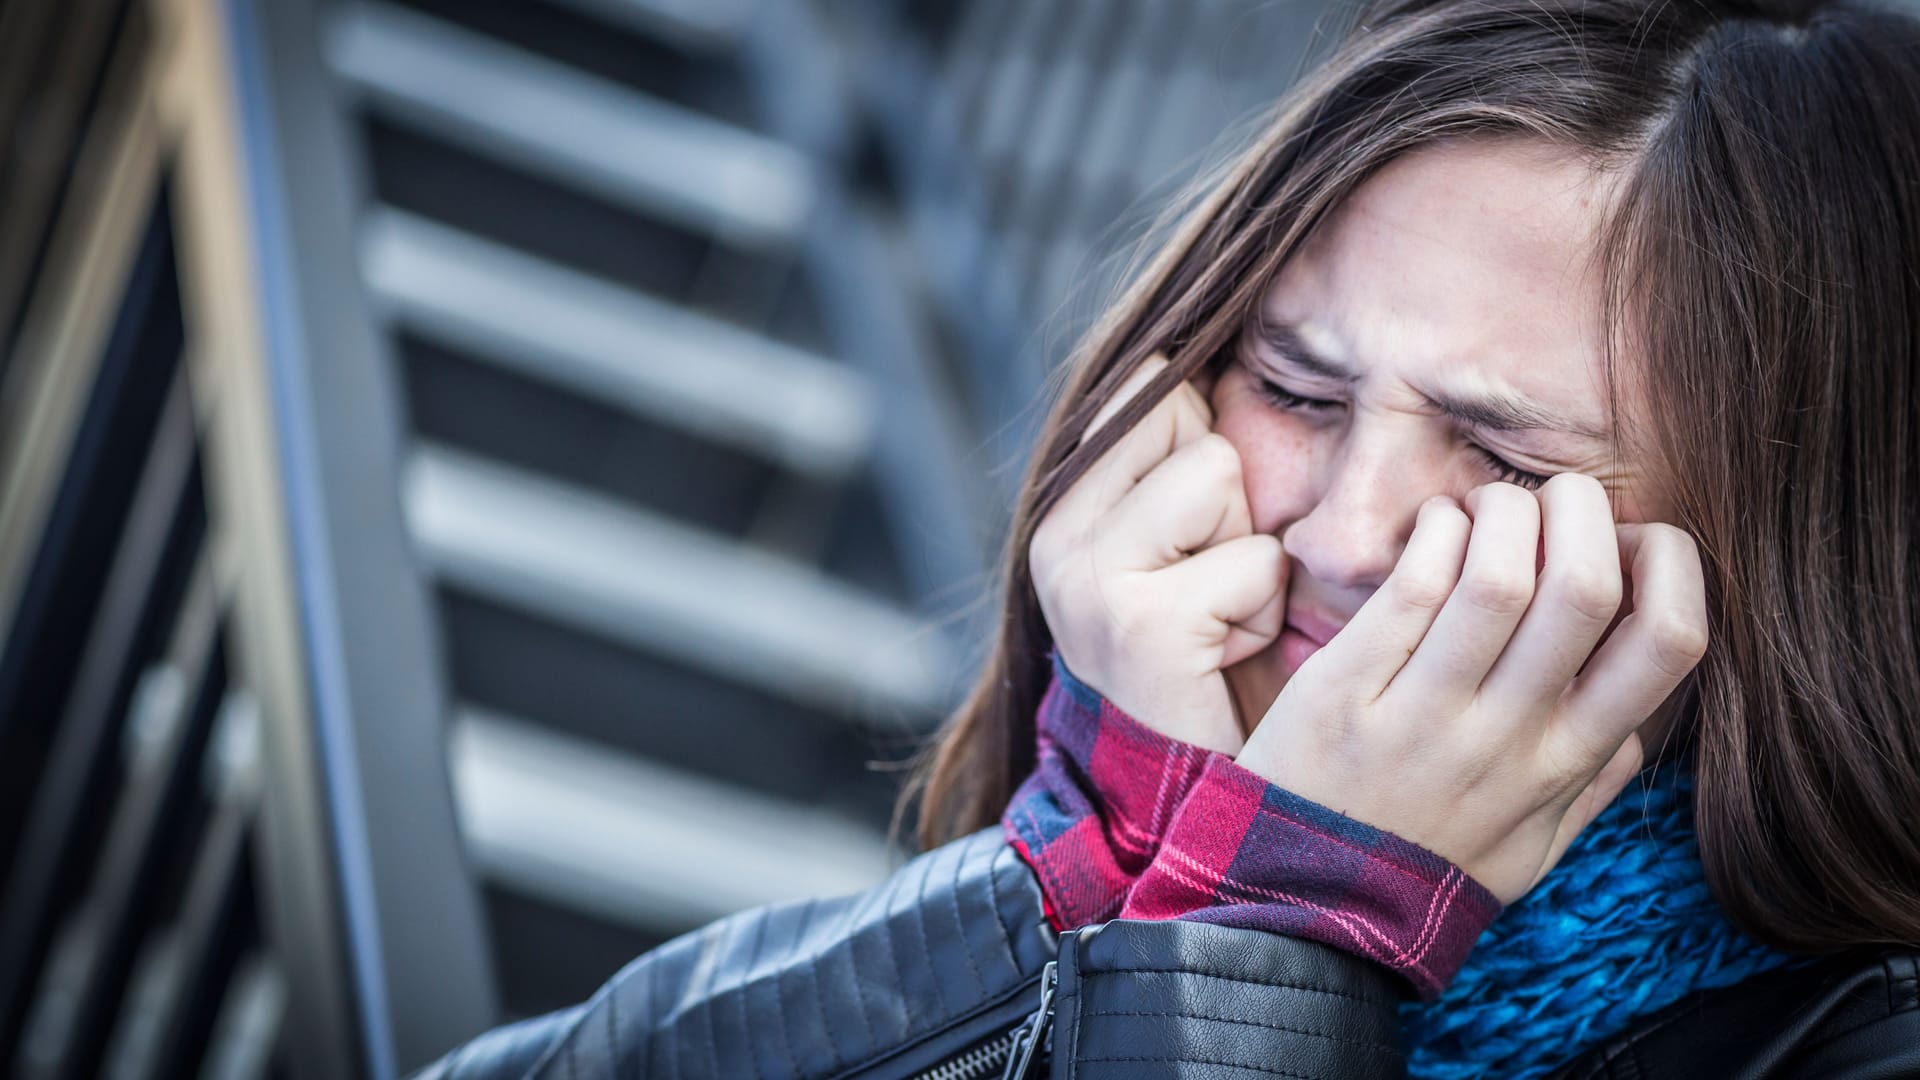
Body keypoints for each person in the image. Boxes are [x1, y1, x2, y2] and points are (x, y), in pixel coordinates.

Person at [415, 0, 1920, 1074]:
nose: (1339, 528)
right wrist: (1102, 860)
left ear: (1799, 550)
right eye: (1294, 384)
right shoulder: (1149, 815)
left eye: (1505, 456)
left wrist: (1282, 948)